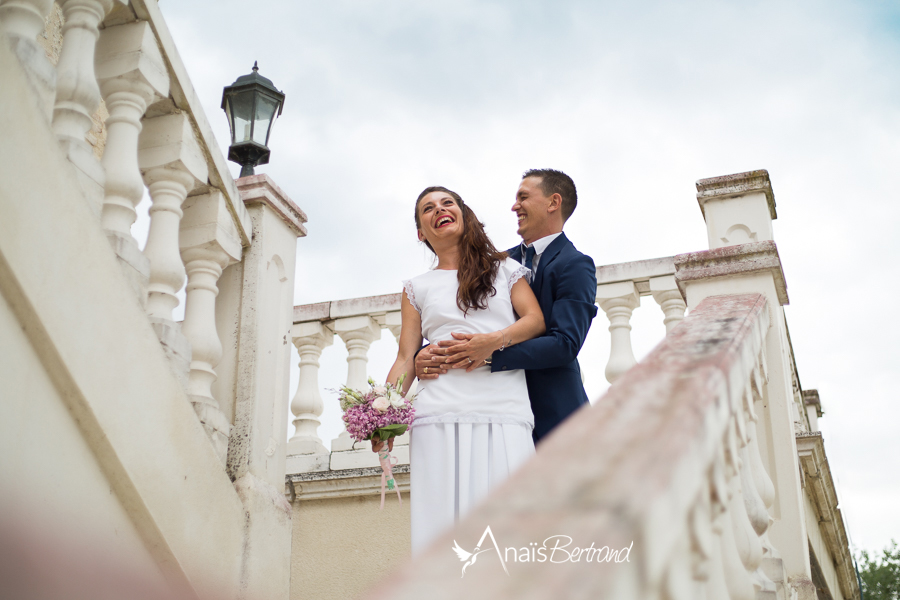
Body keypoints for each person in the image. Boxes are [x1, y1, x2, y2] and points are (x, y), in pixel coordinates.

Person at [375, 186, 545, 555]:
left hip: (504, 408)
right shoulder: (415, 288)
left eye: (447, 203)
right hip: (438, 414)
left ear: (463, 214)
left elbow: (534, 322)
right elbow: (406, 357)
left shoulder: (506, 270)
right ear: (422, 232)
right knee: (442, 532)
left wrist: (492, 341)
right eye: (427, 209)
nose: (439, 210)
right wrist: (382, 419)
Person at [416, 169, 598, 443]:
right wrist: (427, 354)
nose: (515, 206)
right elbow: (464, 320)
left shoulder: (575, 264)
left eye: (523, 197)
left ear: (553, 203)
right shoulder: (496, 264)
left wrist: (489, 353)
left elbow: (565, 343)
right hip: (493, 411)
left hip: (555, 415)